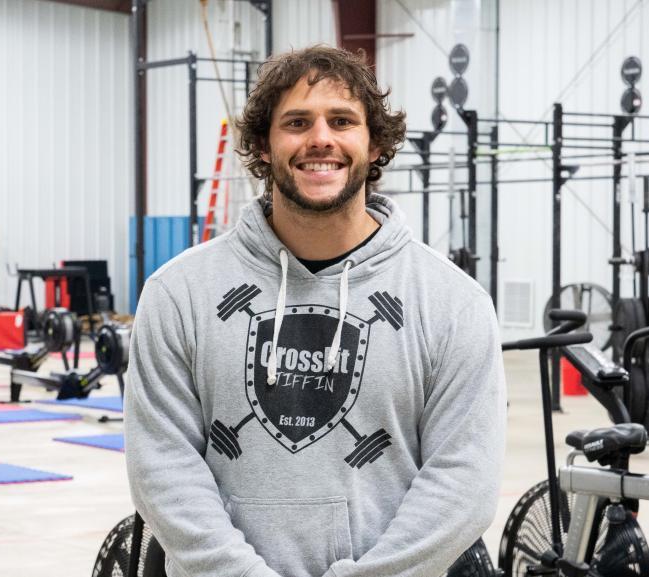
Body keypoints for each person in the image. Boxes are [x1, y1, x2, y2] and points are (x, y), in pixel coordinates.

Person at [125, 45, 506, 577]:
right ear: (264, 144)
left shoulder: (453, 304)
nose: (320, 139)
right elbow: (162, 466)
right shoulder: (178, 294)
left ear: (375, 145)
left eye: (342, 121)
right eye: (297, 122)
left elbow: (463, 480)